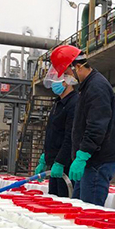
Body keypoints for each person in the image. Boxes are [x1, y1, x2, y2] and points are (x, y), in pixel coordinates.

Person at [49, 44, 115, 206]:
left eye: (66, 73)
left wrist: (83, 155)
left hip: (98, 161)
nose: (66, 78)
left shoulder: (96, 87)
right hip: (90, 161)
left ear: (77, 67)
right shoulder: (87, 87)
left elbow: (97, 126)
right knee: (78, 207)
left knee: (89, 211)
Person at [34, 64, 79, 198]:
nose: (54, 85)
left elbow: (70, 137)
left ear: (66, 82)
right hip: (54, 164)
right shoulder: (58, 103)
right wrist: (45, 157)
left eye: (56, 81)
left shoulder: (74, 103)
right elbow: (52, 133)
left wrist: (60, 162)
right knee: (54, 200)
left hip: (65, 165)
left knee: (65, 202)